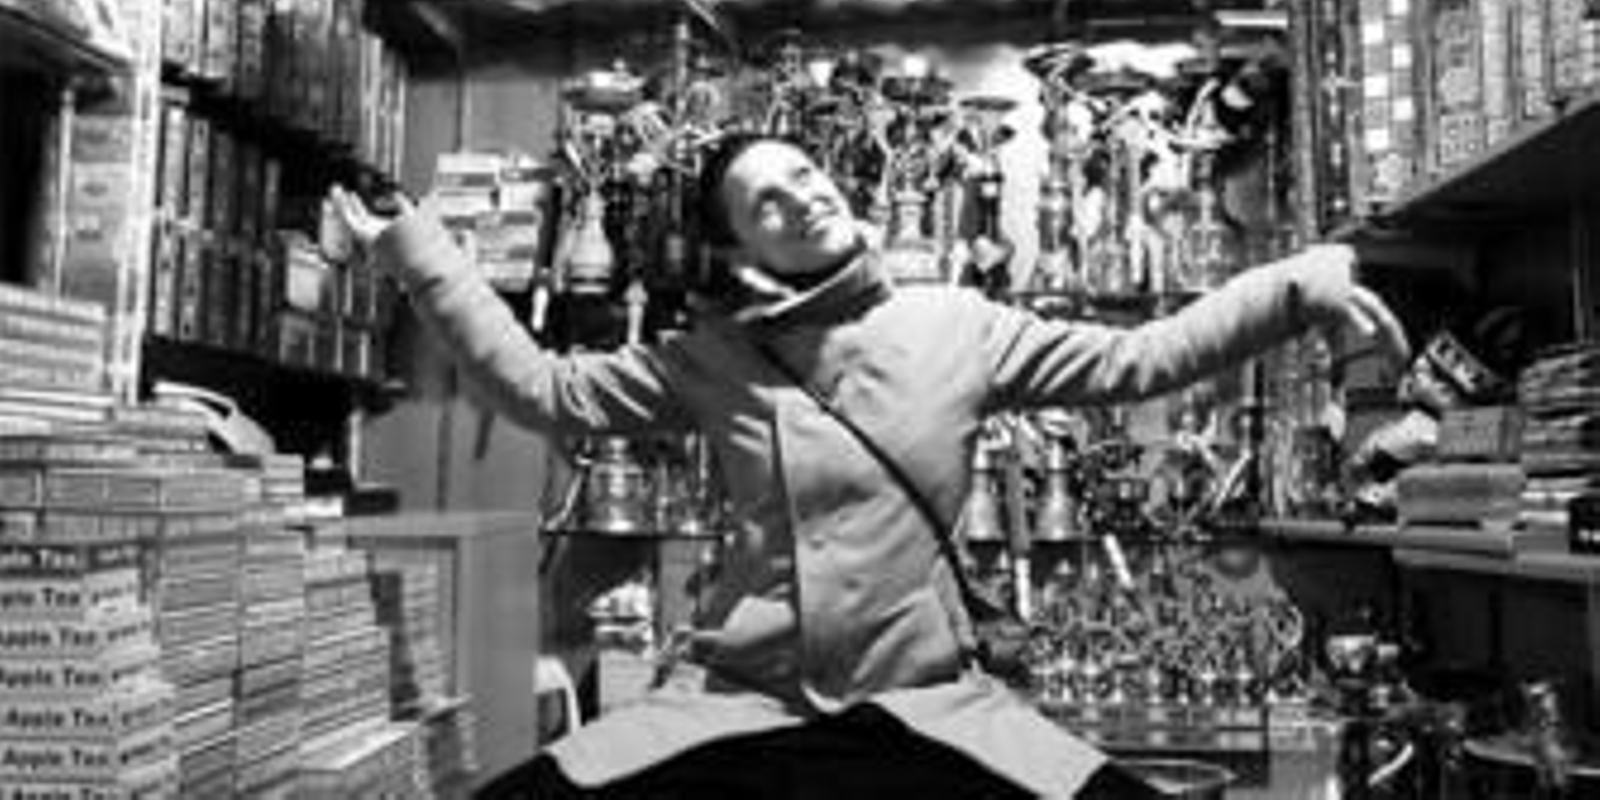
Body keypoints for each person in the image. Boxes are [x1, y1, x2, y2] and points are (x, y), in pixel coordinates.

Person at [332, 132, 1409, 799]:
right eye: (768, 202)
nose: (802, 197)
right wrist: (415, 250)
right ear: (744, 251)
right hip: (735, 695)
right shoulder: (713, 358)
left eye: (804, 175)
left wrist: (1295, 287)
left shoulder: (959, 325)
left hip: (929, 697)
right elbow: (544, 390)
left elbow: (1143, 359)